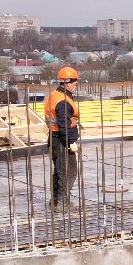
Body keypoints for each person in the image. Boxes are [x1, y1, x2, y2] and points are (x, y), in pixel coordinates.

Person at [45, 66, 81, 206]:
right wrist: (70, 141)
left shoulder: (54, 95)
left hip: (54, 138)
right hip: (61, 140)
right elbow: (63, 124)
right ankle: (61, 202)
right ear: (67, 83)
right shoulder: (63, 101)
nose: (76, 86)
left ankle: (55, 200)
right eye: (75, 83)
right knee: (68, 171)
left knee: (59, 171)